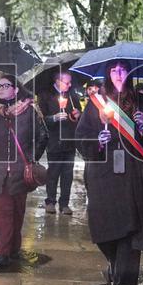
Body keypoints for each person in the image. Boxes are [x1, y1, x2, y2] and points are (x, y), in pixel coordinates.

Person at [75, 60, 143, 285]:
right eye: (114, 70)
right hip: (103, 174)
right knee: (104, 230)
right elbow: (81, 138)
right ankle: (115, 264)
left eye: (123, 69)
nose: (119, 74)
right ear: (108, 73)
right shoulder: (96, 103)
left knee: (132, 230)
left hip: (133, 172)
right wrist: (98, 141)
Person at [0, 74, 47, 269]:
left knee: (17, 211)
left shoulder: (29, 110)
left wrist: (32, 158)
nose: (1, 88)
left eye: (7, 85)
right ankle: (1, 253)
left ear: (16, 89)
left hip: (20, 172)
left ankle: (13, 247)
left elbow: (42, 136)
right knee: (1, 213)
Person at [38, 70, 81, 215]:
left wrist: (76, 115)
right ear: (57, 81)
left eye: (70, 83)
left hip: (69, 139)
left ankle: (65, 203)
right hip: (54, 140)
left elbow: (77, 112)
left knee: (67, 174)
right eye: (66, 82)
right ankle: (50, 201)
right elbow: (40, 120)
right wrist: (54, 118)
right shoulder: (45, 95)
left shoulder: (72, 95)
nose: (69, 85)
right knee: (53, 172)